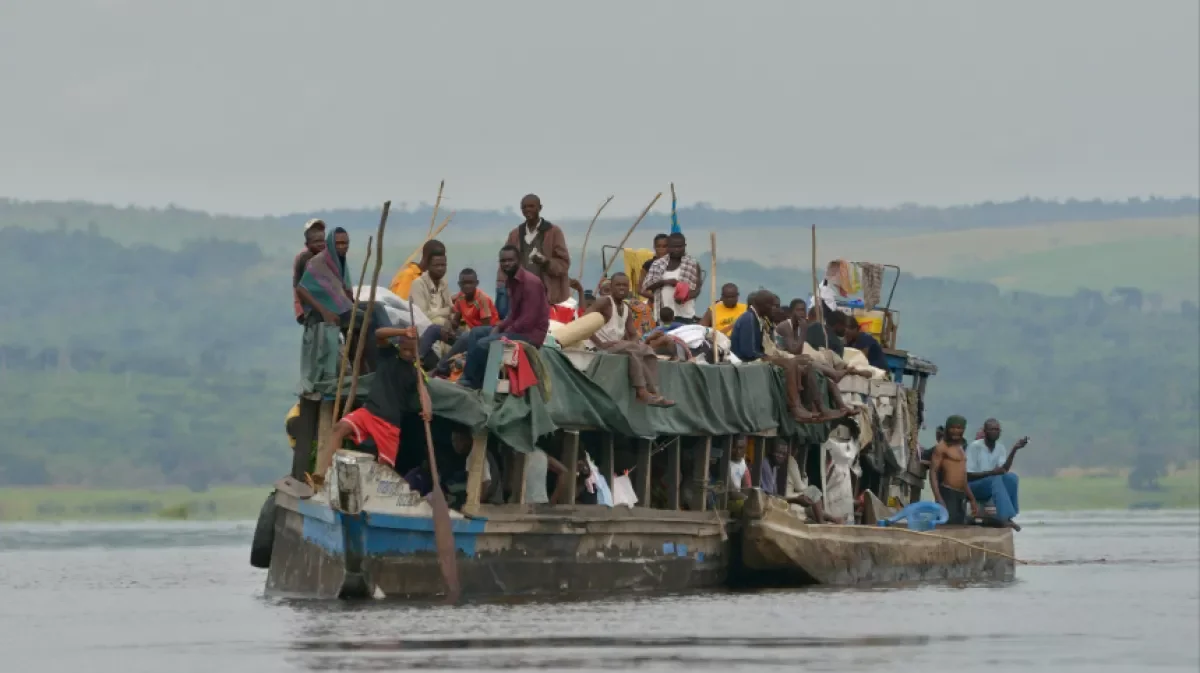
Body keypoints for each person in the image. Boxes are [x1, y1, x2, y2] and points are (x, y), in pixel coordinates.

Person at [323, 327, 429, 469]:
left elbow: (423, 392)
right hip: (369, 411)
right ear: (400, 345)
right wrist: (402, 331)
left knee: (385, 467)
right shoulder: (389, 354)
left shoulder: (416, 372)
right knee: (338, 429)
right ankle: (327, 473)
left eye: (411, 351)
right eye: (405, 348)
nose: (408, 353)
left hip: (389, 423)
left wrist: (428, 409)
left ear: (417, 352)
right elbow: (378, 333)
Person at [460, 245, 551, 389]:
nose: (506, 264)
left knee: (483, 344)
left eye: (510, 260)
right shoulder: (511, 281)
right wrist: (499, 326)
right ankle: (469, 379)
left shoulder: (531, 283)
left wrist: (504, 330)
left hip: (531, 335)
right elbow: (513, 314)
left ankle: (474, 383)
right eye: (503, 261)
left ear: (519, 261)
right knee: (476, 333)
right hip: (517, 329)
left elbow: (528, 320)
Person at [584, 272, 675, 407]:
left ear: (629, 288)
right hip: (598, 346)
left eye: (625, 285)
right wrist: (600, 343)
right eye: (618, 285)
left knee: (647, 350)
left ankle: (653, 392)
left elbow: (632, 334)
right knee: (632, 349)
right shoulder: (604, 302)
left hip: (617, 345)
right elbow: (584, 322)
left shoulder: (626, 309)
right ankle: (641, 392)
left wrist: (635, 344)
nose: (622, 288)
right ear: (612, 287)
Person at [498, 194, 572, 306]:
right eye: (524, 207)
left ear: (540, 208)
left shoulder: (553, 232)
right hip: (521, 294)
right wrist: (502, 285)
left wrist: (546, 262)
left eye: (531, 206)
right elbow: (504, 262)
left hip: (548, 295)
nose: (527, 210)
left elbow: (564, 263)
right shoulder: (515, 234)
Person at [966, 418, 1027, 530]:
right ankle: (1004, 517)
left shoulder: (1000, 448)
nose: (995, 432)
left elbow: (1003, 470)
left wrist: (1014, 449)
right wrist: (991, 473)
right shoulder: (975, 447)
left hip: (991, 486)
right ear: (985, 431)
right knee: (995, 479)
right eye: (992, 429)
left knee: (1012, 478)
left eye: (997, 429)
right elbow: (968, 475)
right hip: (973, 487)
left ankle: (1010, 515)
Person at [641, 232, 702, 323]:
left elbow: (697, 289)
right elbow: (648, 285)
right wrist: (667, 282)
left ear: (685, 246)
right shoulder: (658, 264)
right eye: (674, 247)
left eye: (680, 246)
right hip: (663, 315)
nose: (677, 249)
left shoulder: (692, 264)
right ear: (668, 247)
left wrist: (685, 298)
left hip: (685, 315)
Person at [930, 415, 978, 525]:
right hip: (947, 493)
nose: (956, 431)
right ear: (947, 428)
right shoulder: (942, 447)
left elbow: (963, 477)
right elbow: (933, 473)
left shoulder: (961, 448)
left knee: (960, 524)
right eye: (953, 428)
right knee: (947, 524)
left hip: (961, 494)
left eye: (959, 428)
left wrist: (972, 499)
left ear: (964, 429)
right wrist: (939, 498)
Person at [293, 219, 326, 323]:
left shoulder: (323, 255)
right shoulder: (305, 258)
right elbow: (302, 290)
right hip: (308, 308)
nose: (320, 243)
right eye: (314, 230)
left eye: (320, 230)